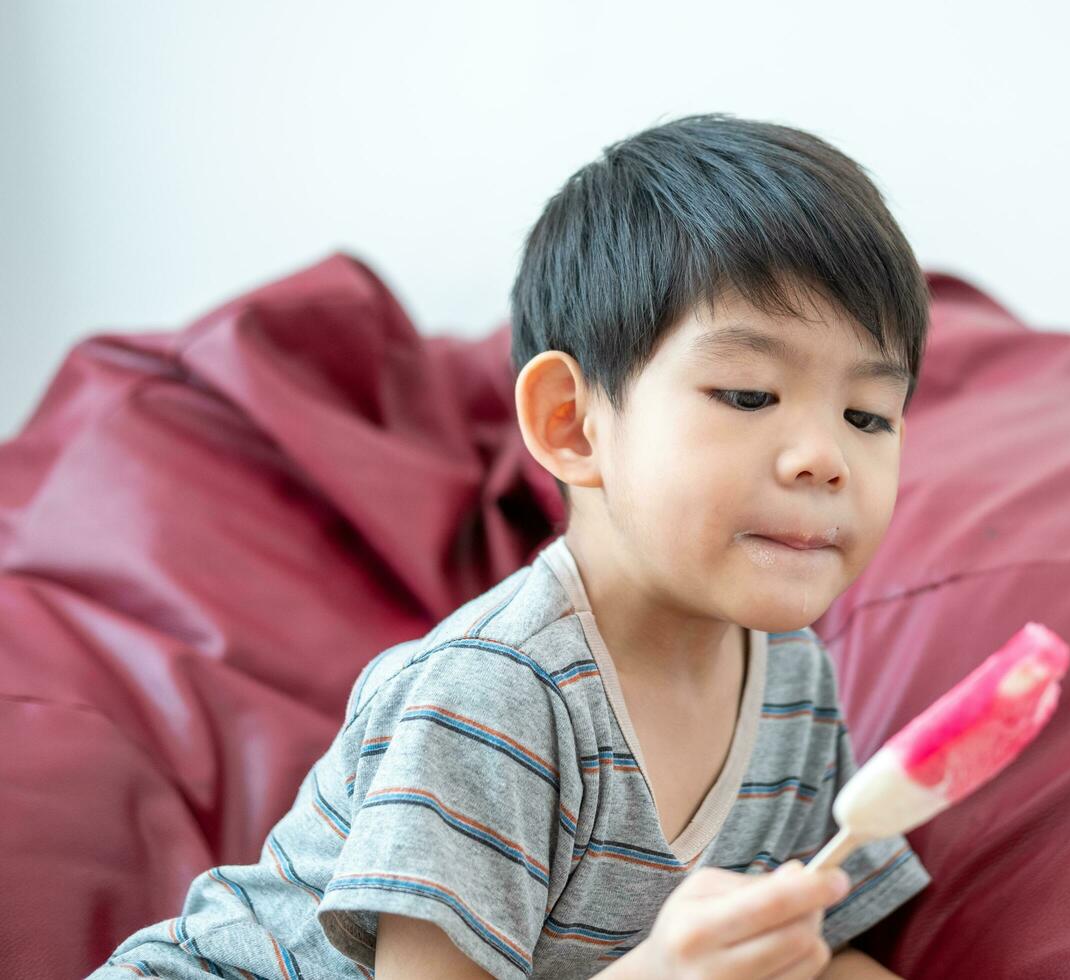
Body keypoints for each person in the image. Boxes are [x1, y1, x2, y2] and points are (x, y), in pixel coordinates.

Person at [91, 111, 932, 980]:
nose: (825, 459)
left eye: (868, 415)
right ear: (571, 424)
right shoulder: (498, 694)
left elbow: (826, 960)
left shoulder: (794, 684)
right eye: (750, 395)